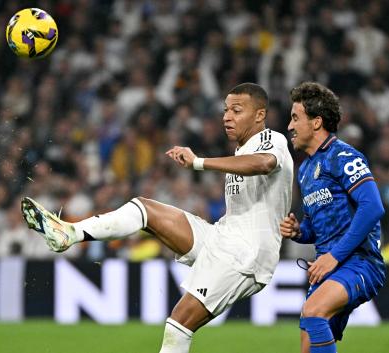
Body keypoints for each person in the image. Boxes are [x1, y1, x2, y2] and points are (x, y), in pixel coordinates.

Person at [21, 83, 293, 353]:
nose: (226, 116)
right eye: (225, 110)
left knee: (178, 325)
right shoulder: (240, 150)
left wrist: (198, 162)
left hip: (247, 254)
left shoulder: (272, 140)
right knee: (144, 209)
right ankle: (69, 233)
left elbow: (264, 163)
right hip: (223, 237)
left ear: (259, 115)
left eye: (236, 110)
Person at [280, 82, 386, 353]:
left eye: (295, 118)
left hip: (358, 262)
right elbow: (319, 227)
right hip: (328, 268)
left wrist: (334, 256)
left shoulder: (344, 155)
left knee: (313, 312)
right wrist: (299, 232)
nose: (289, 126)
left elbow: (372, 206)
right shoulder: (305, 170)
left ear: (316, 123)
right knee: (308, 342)